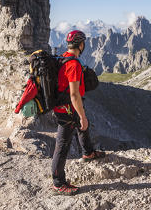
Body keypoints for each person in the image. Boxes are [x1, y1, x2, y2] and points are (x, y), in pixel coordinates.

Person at [51, 30, 105, 195]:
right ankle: (58, 183)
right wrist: (81, 115)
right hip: (67, 108)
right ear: (80, 45)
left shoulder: (62, 57)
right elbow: (74, 95)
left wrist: (82, 117)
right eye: (84, 44)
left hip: (65, 106)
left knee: (83, 125)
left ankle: (88, 153)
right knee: (62, 144)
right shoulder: (73, 64)